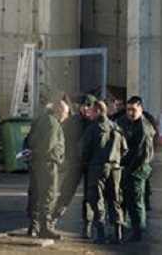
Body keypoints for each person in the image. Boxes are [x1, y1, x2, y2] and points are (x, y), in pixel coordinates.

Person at [79, 99, 127, 244]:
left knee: (97, 199)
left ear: (98, 111)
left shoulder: (93, 128)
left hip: (97, 167)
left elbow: (83, 149)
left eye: (92, 111)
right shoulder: (116, 126)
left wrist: (87, 162)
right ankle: (117, 234)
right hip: (115, 168)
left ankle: (100, 234)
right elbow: (124, 149)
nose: (90, 113)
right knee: (115, 199)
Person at [50, 93, 96, 237]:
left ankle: (88, 226)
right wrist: (68, 155)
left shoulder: (97, 123)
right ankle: (52, 219)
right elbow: (62, 136)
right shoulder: (74, 122)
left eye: (89, 106)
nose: (86, 109)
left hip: (92, 164)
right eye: (84, 106)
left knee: (90, 196)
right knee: (66, 191)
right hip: (76, 162)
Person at [27, 99, 69, 239]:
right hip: (47, 163)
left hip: (37, 162)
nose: (66, 116)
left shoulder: (41, 119)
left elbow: (30, 139)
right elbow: (49, 145)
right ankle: (45, 228)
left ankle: (33, 226)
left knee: (36, 194)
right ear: (59, 111)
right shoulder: (53, 122)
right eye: (66, 113)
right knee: (48, 195)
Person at [117, 95, 155, 243]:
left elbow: (140, 154)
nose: (131, 113)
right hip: (132, 167)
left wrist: (128, 170)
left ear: (141, 109)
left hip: (138, 168)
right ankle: (135, 228)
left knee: (135, 201)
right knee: (131, 200)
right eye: (128, 110)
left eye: (134, 110)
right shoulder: (131, 124)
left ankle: (137, 231)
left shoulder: (143, 127)